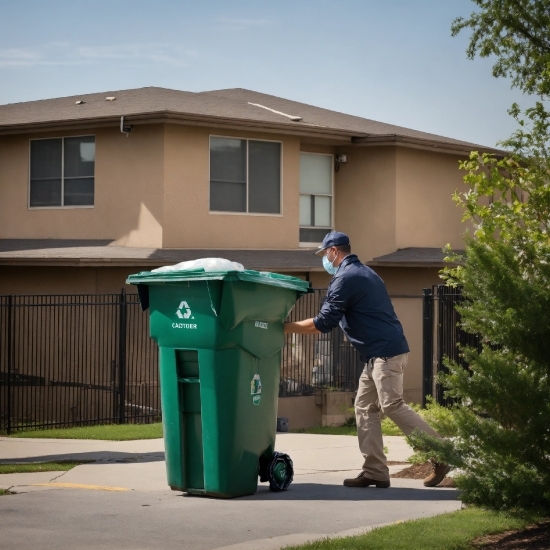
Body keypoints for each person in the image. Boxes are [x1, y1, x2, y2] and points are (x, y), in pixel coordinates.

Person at [284, 231, 450, 488]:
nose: (324, 260)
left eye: (324, 254)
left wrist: (283, 327)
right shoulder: (365, 273)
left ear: (334, 252)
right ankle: (375, 471)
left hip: (385, 354)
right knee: (364, 408)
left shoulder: (346, 278)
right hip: (377, 355)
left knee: (391, 404)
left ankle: (441, 453)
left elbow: (324, 323)